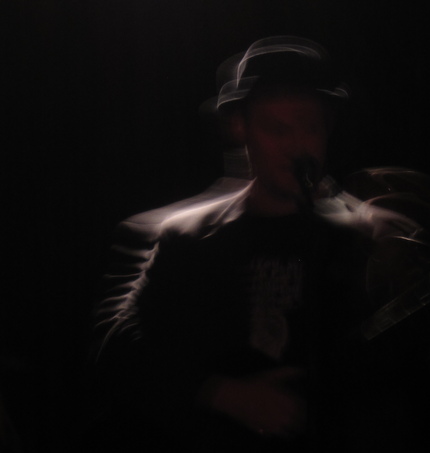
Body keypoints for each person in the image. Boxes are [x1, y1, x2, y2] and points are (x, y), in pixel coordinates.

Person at [91, 36, 411, 452]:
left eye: (310, 127)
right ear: (240, 129)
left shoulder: (364, 239)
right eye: (278, 129)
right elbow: (118, 350)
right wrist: (223, 393)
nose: (298, 146)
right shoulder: (191, 238)